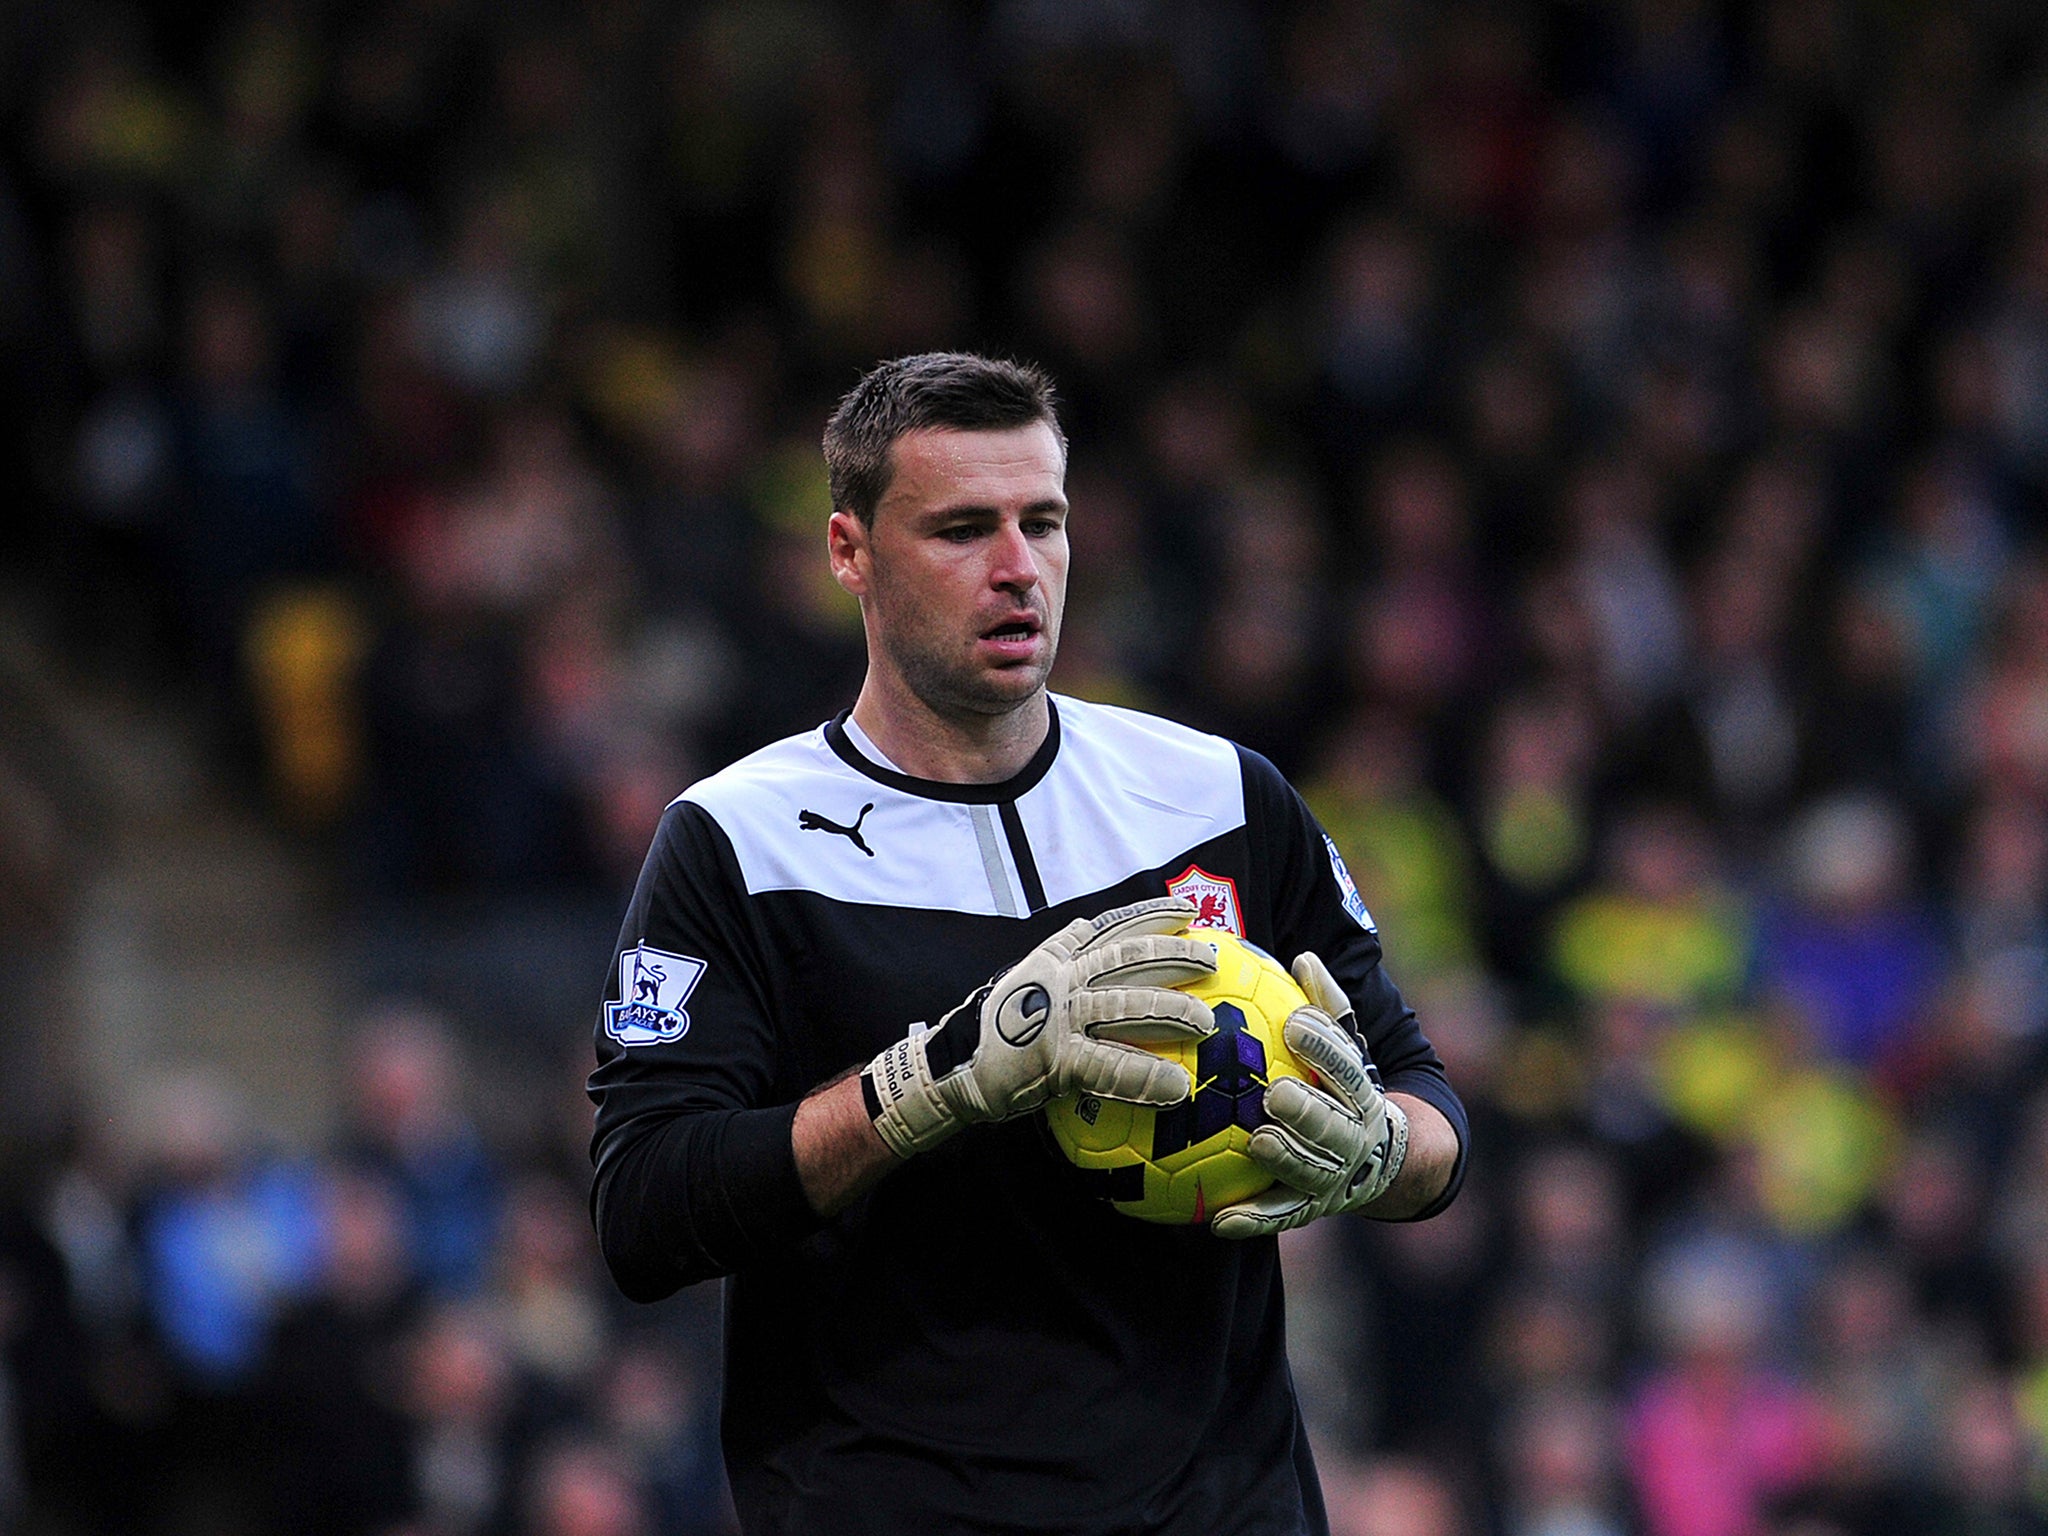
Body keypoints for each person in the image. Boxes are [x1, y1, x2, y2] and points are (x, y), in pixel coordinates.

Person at [588, 353, 1467, 1535]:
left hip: (1220, 1506)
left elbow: (1425, 1105)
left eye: (1041, 523)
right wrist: (922, 1086)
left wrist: (1374, 1155)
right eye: (960, 530)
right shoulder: (735, 843)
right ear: (846, 550)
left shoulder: (1217, 794)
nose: (1017, 571)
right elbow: (643, 1213)